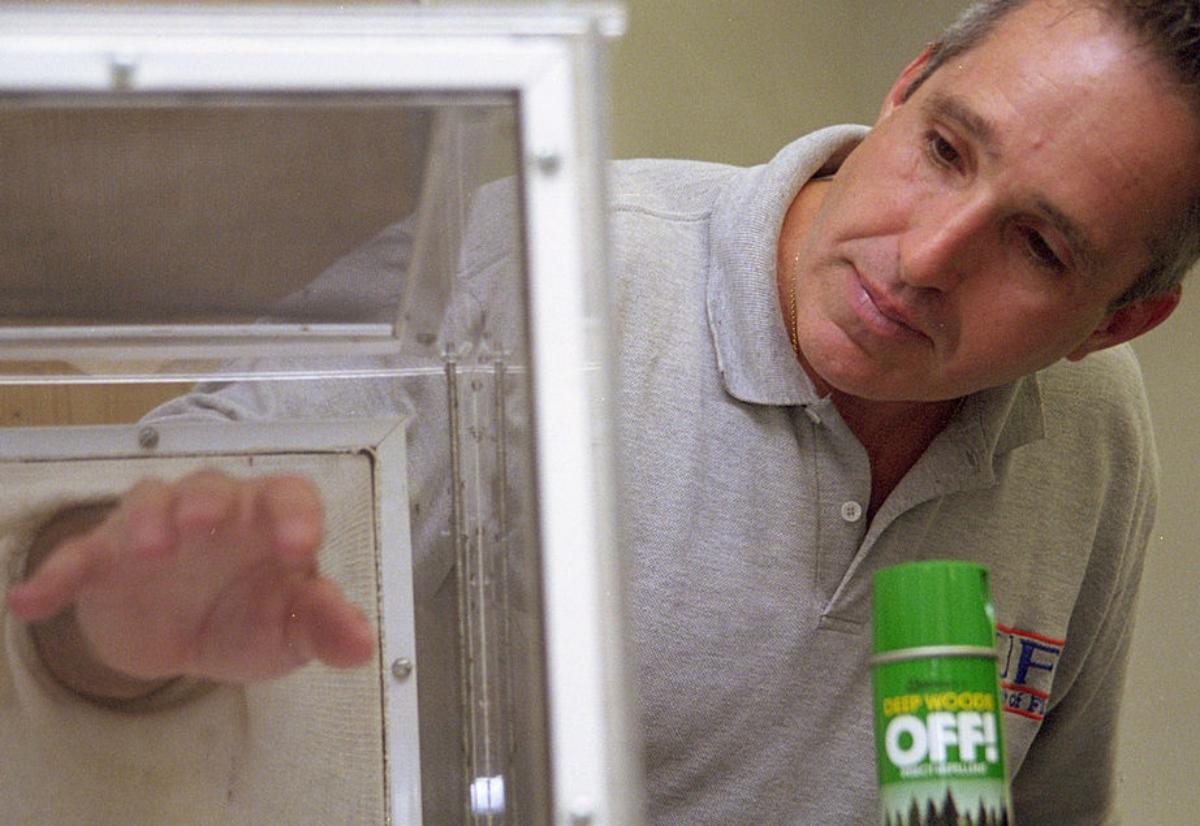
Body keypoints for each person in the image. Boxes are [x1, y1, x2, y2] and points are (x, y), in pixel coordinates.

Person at [6, 0, 1200, 822]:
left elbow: (1026, 802)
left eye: (1038, 246)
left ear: (1115, 322)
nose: (930, 256)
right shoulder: (542, 271)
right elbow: (104, 562)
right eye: (945, 148)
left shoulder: (1091, 429)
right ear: (907, 83)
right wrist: (110, 613)